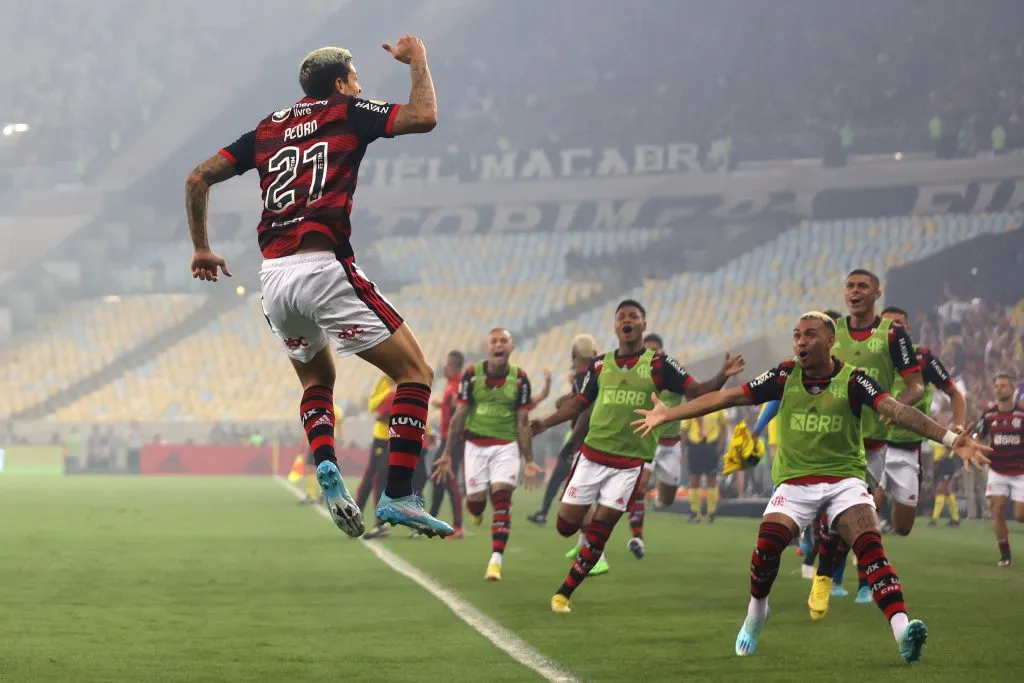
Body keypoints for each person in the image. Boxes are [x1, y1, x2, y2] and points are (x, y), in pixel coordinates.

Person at [183, 37, 452, 538]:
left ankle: (326, 462)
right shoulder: (347, 111)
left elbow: (197, 178)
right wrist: (418, 61)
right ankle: (398, 495)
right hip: (322, 265)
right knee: (416, 372)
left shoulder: (267, 129)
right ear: (340, 83)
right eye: (355, 78)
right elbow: (424, 116)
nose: (359, 85)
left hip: (274, 279)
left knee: (316, 382)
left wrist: (201, 247)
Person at [632, 311, 990, 661]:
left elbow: (898, 411)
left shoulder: (854, 380)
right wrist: (668, 414)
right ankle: (757, 612)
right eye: (797, 335)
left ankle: (903, 631)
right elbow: (727, 398)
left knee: (870, 547)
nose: (801, 341)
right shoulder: (783, 375)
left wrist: (951, 439)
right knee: (769, 544)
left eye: (809, 335)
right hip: (796, 482)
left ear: (831, 341)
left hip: (844, 481)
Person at [531, 300, 745, 613]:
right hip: (592, 457)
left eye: (634, 316)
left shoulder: (661, 365)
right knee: (566, 525)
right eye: (622, 317)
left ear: (643, 326)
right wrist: (544, 423)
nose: (627, 320)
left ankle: (564, 593)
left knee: (602, 530)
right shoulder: (601, 365)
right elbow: (578, 405)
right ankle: (595, 525)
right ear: (615, 327)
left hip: (629, 464)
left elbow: (697, 392)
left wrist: (722, 376)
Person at [814, 270, 923, 609]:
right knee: (838, 516)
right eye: (850, 286)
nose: (855, 291)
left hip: (874, 443)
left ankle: (847, 580)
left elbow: (915, 385)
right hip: (833, 439)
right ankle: (826, 578)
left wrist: (896, 407)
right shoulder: (832, 331)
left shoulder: (894, 335)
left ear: (876, 292)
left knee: (857, 517)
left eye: (863, 286)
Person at [433, 328, 541, 580]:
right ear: (488, 348)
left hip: (506, 446)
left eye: (503, 341)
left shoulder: (520, 379)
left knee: (502, 497)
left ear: (511, 347)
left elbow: (523, 421)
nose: (498, 345)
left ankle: (496, 560)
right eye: (494, 341)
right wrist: (448, 452)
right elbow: (459, 415)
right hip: (475, 447)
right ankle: (476, 510)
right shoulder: (472, 376)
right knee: (476, 502)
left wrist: (530, 460)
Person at [877, 306, 966, 536]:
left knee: (903, 527)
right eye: (889, 323)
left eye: (899, 323)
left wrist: (958, 423)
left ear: (907, 329)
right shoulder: (868, 359)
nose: (894, 327)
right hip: (873, 444)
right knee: (867, 502)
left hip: (908, 449)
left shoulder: (922, 358)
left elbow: (954, 393)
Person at [623, 333, 687, 558]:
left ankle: (652, 493)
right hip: (648, 441)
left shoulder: (673, 374)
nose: (649, 355)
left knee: (667, 500)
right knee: (639, 486)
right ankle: (637, 537)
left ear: (662, 353)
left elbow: (695, 393)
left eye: (654, 351)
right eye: (645, 351)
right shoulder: (638, 376)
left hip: (671, 445)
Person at [527, 334, 599, 528]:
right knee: (571, 489)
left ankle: (596, 550)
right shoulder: (596, 374)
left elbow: (581, 411)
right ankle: (589, 546)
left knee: (576, 498)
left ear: (574, 355)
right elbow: (574, 402)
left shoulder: (582, 376)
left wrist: (571, 439)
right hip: (598, 438)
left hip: (585, 440)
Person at [974, 373, 1024, 567]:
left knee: (1020, 516)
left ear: (1012, 390)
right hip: (996, 469)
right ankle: (1005, 555)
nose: (998, 389)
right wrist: (975, 446)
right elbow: (978, 435)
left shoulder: (1021, 413)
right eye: (996, 386)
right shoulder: (988, 413)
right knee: (997, 511)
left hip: (1020, 471)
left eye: (1003, 385)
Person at [422, 351, 466, 539]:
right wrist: (443, 405)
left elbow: (460, 407)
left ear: (453, 365)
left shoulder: (458, 383)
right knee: (438, 475)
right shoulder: (452, 383)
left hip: (454, 438)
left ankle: (458, 526)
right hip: (449, 436)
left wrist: (452, 404)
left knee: (448, 477)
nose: (445, 367)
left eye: (447, 363)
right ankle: (432, 520)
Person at [359, 375, 395, 539]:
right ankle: (356, 515)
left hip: (390, 437)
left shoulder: (393, 383)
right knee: (372, 478)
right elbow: (373, 405)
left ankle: (381, 523)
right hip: (382, 437)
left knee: (378, 479)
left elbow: (379, 411)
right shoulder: (385, 382)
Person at [682, 409, 728, 523]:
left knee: (711, 480)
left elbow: (724, 427)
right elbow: (684, 430)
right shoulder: (694, 405)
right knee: (694, 480)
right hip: (694, 445)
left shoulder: (718, 406)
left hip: (711, 445)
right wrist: (682, 450)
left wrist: (721, 445)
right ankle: (694, 513)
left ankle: (711, 513)